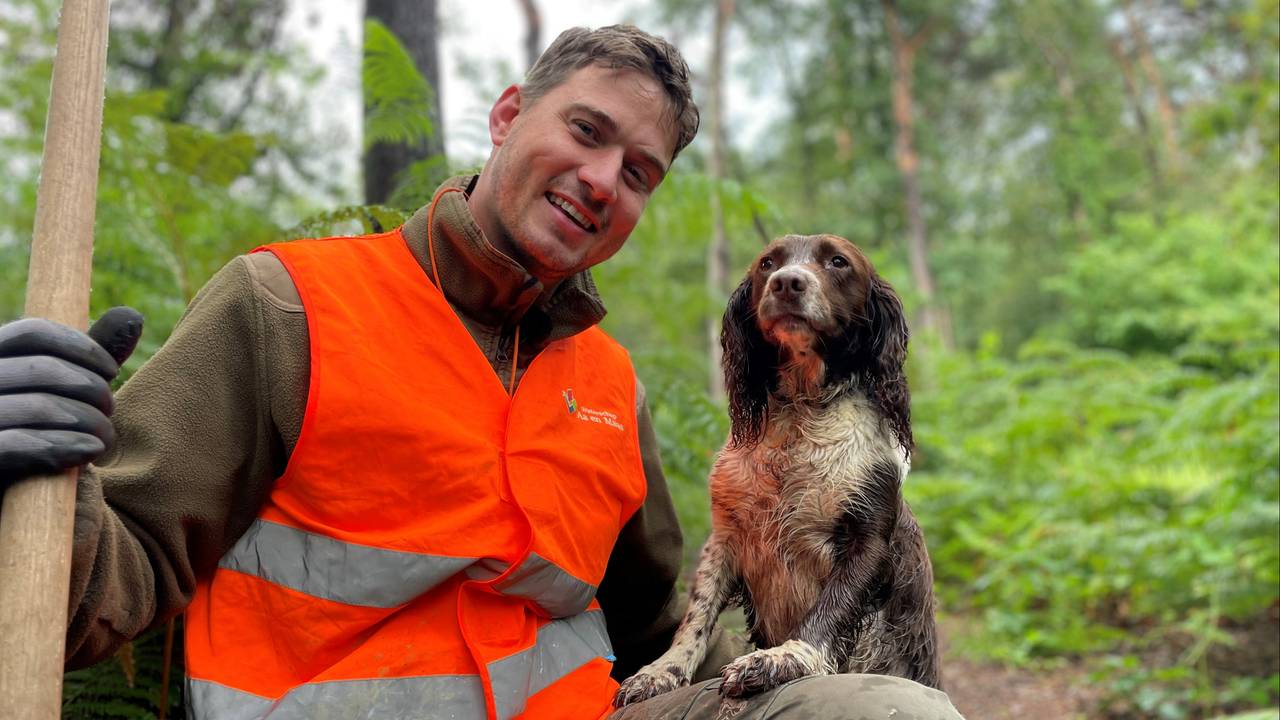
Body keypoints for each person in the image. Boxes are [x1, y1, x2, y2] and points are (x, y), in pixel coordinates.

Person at [0, 25, 965, 720]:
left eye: (638, 172)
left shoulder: (608, 384)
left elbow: (665, 629)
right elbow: (94, 596)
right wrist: (35, 484)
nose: (603, 180)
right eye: (586, 132)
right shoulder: (286, 306)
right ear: (508, 115)